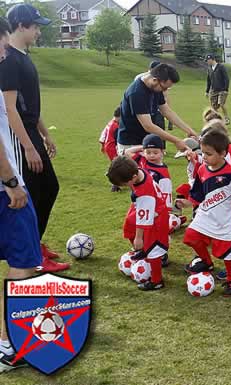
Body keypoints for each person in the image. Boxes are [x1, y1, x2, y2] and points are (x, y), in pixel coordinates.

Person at [0, 4, 69, 272]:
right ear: (20, 26)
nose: (39, 32)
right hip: (20, 138)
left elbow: (28, 105)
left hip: (31, 132)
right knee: (28, 195)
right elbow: (9, 108)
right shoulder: (9, 62)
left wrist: (43, 133)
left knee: (49, 188)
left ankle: (35, 244)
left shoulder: (22, 57)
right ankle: (32, 253)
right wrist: (28, 147)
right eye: (36, 26)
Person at [0, 15, 40, 372]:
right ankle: (11, 343)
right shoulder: (7, 64)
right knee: (23, 262)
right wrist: (11, 183)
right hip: (5, 189)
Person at [183, 129, 231, 296]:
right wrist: (189, 201)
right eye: (203, 152)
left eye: (209, 154)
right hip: (205, 214)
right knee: (190, 237)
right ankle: (206, 262)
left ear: (223, 154)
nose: (204, 157)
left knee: (226, 251)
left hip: (224, 219)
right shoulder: (202, 170)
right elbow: (197, 191)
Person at [107, 156, 169, 290]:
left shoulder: (144, 194)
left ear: (133, 177)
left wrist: (139, 238)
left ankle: (157, 281)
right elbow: (127, 154)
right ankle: (143, 250)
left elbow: (144, 220)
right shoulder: (138, 170)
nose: (124, 187)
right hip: (143, 208)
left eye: (124, 184)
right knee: (128, 226)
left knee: (153, 248)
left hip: (155, 217)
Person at [117, 63, 197, 155]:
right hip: (130, 144)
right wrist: (176, 141)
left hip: (145, 141)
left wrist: (189, 131)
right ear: (155, 80)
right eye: (164, 88)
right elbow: (148, 126)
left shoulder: (155, 88)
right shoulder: (136, 93)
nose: (164, 91)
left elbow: (167, 111)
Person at [99, 106, 122, 192]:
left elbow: (103, 134)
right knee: (118, 165)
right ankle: (114, 185)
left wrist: (102, 145)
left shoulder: (110, 123)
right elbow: (118, 140)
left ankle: (112, 174)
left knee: (115, 163)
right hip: (112, 147)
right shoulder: (116, 126)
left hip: (107, 146)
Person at [205, 54, 230, 125]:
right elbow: (208, 81)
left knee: (221, 104)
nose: (207, 62)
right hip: (213, 90)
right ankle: (218, 120)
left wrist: (226, 89)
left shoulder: (221, 67)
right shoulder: (209, 69)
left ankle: (226, 118)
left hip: (222, 90)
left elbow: (226, 78)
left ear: (211, 59)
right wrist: (207, 91)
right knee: (214, 107)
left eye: (207, 60)